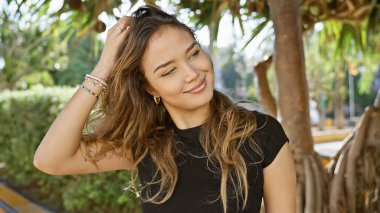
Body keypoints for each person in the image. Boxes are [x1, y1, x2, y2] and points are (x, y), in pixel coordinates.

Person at [33, 5, 296, 213]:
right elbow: (50, 160)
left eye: (193, 53)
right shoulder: (144, 144)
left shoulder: (261, 133)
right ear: (150, 88)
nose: (193, 74)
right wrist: (102, 69)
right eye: (169, 71)